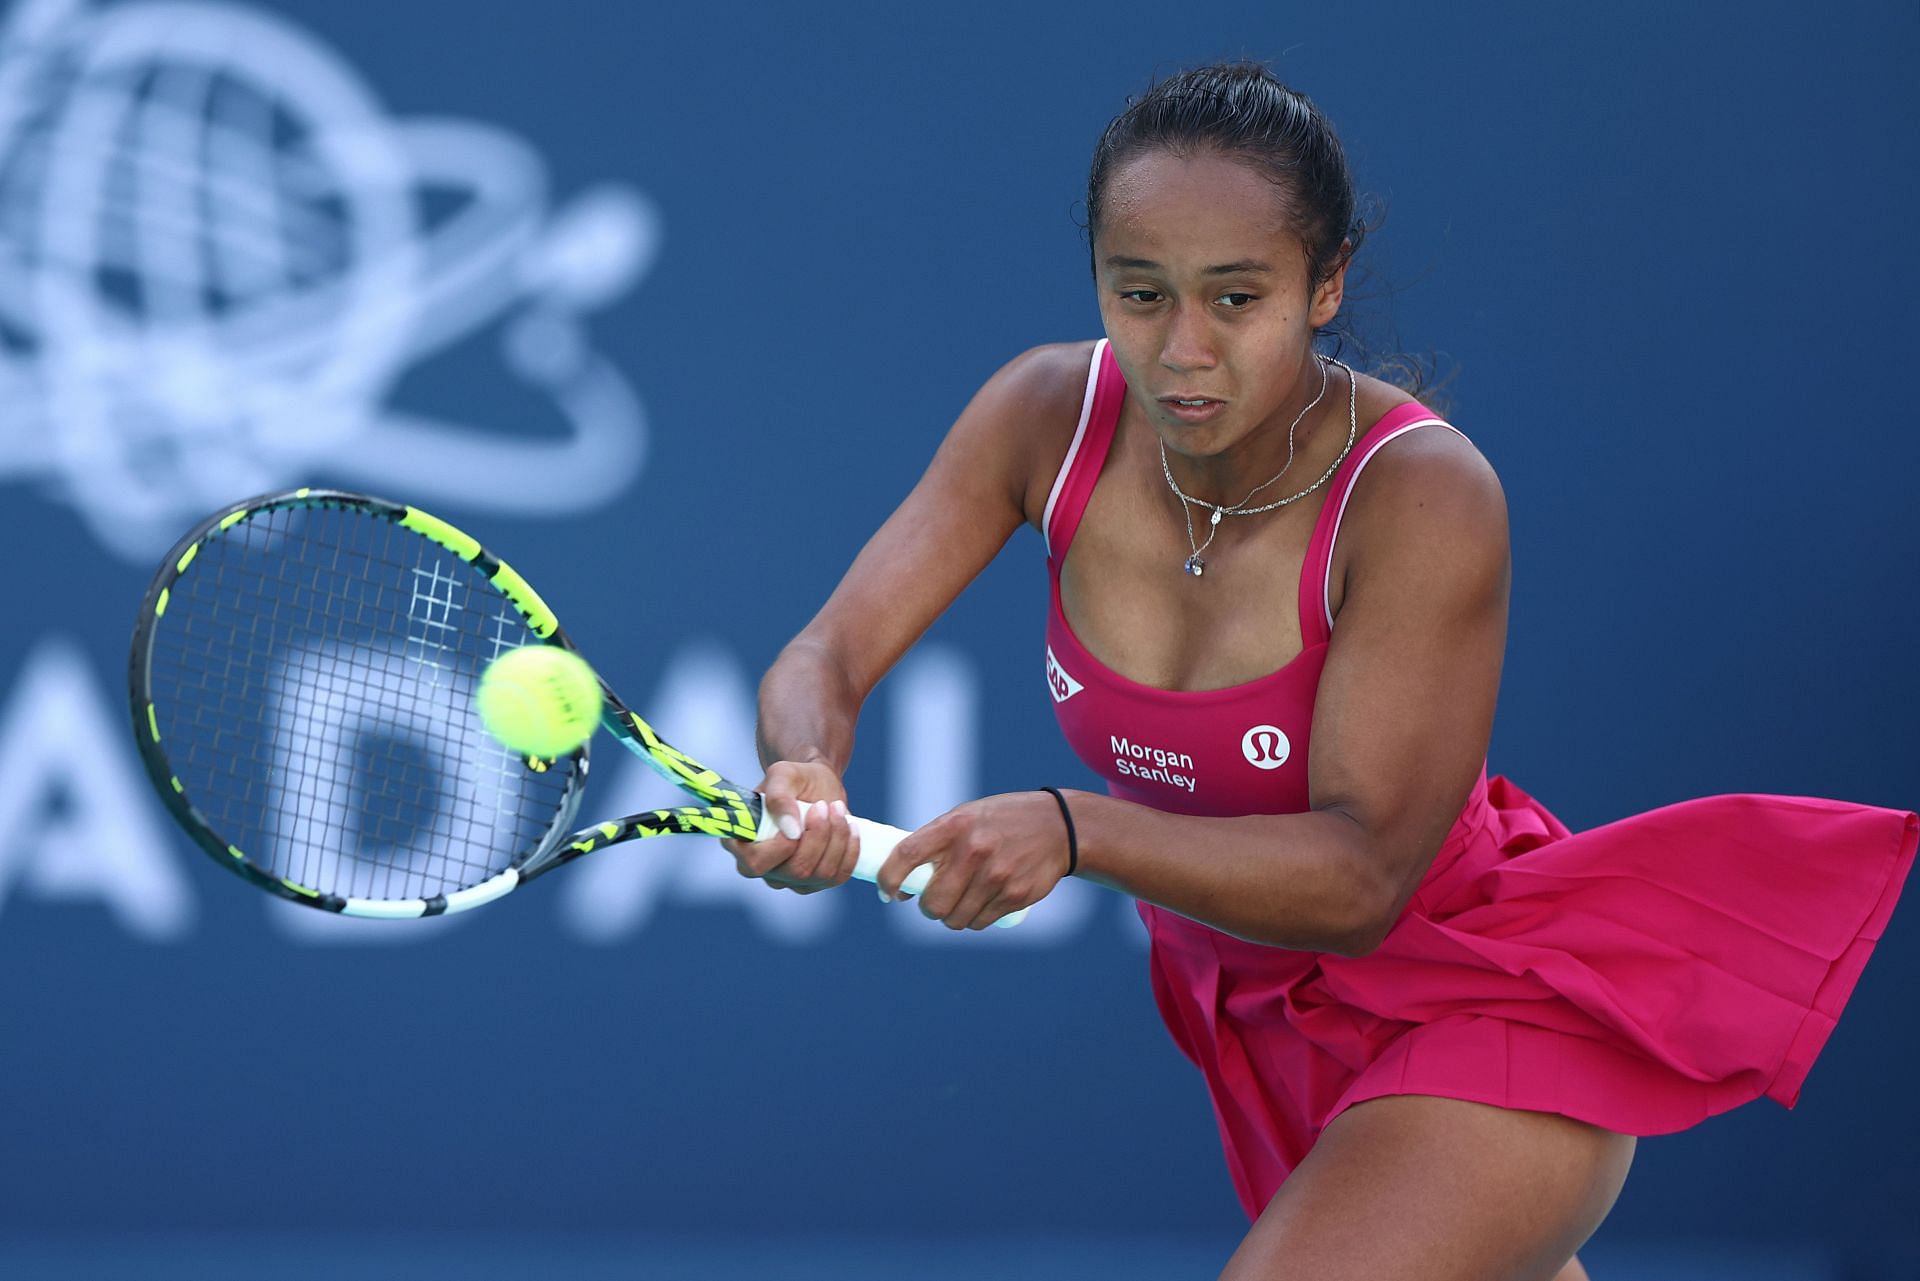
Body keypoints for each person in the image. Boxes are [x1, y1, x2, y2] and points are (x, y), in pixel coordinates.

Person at [719, 62, 1917, 1280]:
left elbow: (1361, 881)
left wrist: (1078, 828)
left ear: (1324, 284)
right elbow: (828, 652)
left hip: (1474, 995)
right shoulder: (1046, 414)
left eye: (1236, 298)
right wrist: (805, 764)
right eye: (1140, 294)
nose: (1182, 349)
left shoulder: (1422, 494)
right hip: (1263, 1021)